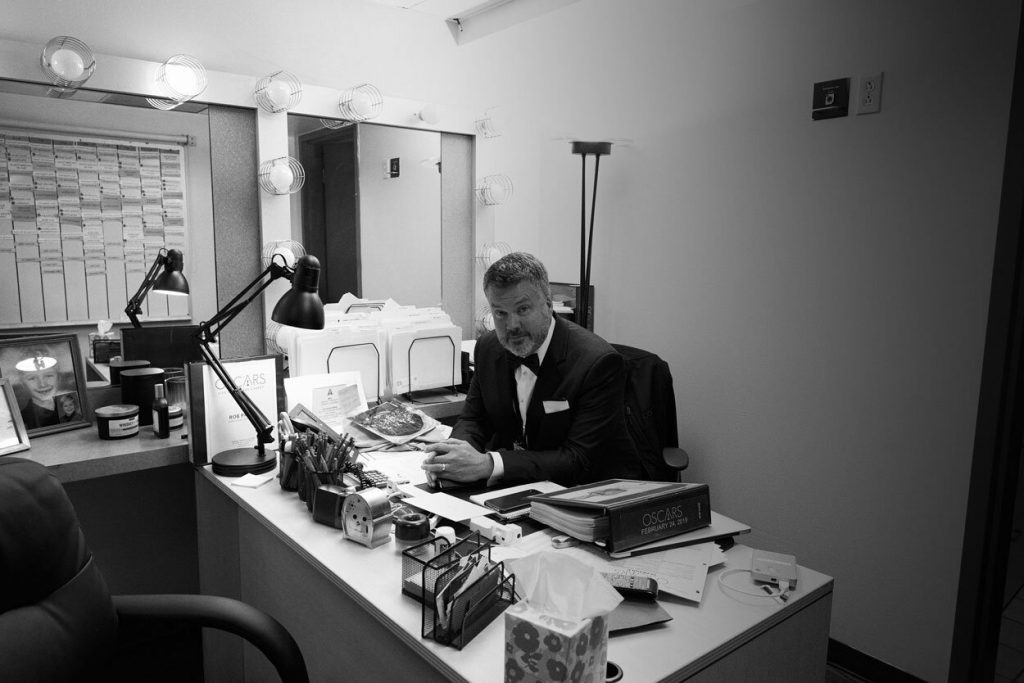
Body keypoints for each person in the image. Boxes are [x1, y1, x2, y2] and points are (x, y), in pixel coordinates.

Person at [422, 252, 642, 488]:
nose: (512, 326)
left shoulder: (597, 363)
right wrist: (450, 458)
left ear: (548, 304)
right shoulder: (488, 348)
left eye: (523, 309)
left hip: (588, 493)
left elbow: (579, 459)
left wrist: (489, 464)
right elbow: (474, 418)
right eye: (500, 313)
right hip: (521, 486)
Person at [16, 350, 61, 429]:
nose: (42, 384)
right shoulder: (22, 421)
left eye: (49, 375)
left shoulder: (71, 407)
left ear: (59, 377)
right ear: (22, 384)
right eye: (32, 378)